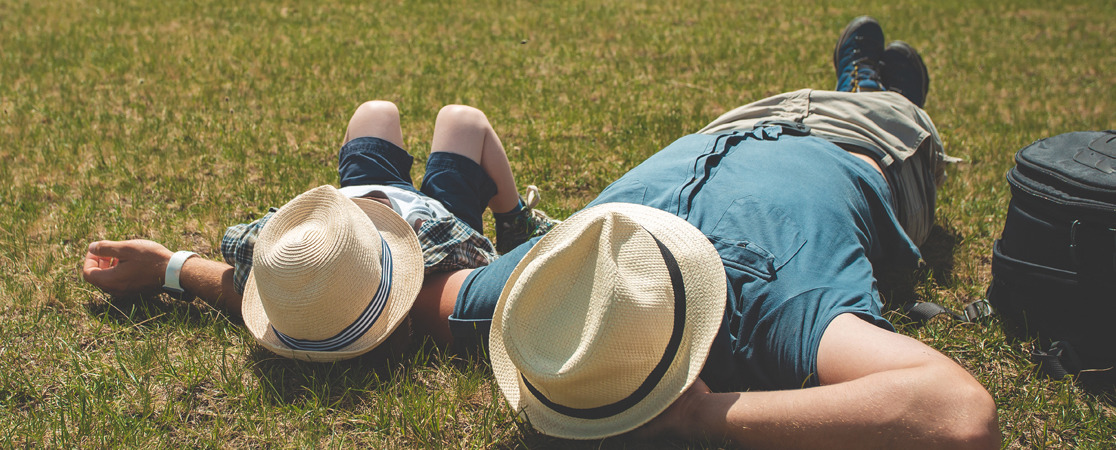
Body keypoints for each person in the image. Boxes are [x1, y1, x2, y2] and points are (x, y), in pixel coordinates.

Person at [412, 16, 1000, 447]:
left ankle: (862, 82)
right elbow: (960, 416)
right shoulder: (776, 305)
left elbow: (422, 288)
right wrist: (699, 416)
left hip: (738, 122)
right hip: (870, 144)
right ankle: (878, 89)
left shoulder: (545, 292)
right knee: (895, 109)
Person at [81, 101, 559, 360]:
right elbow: (482, 267)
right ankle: (516, 221)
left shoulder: (294, 271)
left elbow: (252, 278)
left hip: (357, 203)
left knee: (374, 113)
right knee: (462, 120)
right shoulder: (438, 280)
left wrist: (170, 266)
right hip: (435, 221)